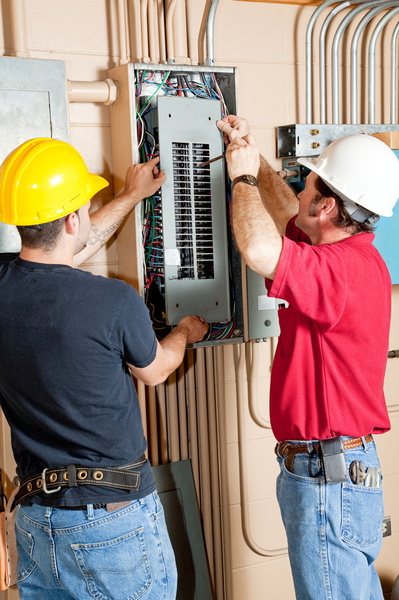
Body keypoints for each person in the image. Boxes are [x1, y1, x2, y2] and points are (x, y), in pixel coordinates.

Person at [0, 137, 208, 600]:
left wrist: (132, 197)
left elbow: (63, 254)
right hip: (111, 523)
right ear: (73, 217)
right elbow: (154, 372)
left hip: (36, 520)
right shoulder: (114, 301)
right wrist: (184, 334)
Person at [217, 116, 399, 600]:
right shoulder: (346, 256)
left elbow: (259, 245)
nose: (298, 191)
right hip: (332, 469)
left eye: (307, 182)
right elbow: (284, 219)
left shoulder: (337, 272)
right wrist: (253, 156)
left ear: (327, 205)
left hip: (327, 474)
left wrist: (242, 177)